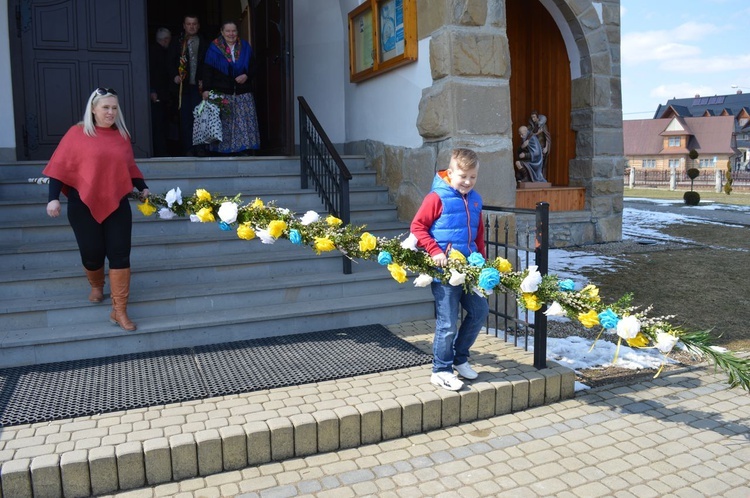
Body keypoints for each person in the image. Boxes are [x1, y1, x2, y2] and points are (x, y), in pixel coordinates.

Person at [43, 88, 149, 332]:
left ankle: (119, 310)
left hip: (118, 203)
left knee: (120, 254)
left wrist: (142, 188)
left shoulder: (122, 135)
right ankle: (96, 284)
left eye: (114, 108)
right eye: (105, 108)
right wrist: (53, 199)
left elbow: (130, 167)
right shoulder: (76, 133)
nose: (111, 112)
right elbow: (60, 166)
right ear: (93, 109)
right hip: (82, 203)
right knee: (92, 252)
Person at [410, 148, 489, 391]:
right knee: (447, 323)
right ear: (450, 172)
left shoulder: (475, 199)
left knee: (479, 311)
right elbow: (417, 227)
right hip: (444, 272)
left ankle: (459, 358)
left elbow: (479, 236)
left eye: (472, 177)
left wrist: (482, 263)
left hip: (467, 271)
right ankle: (441, 370)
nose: (467, 182)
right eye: (463, 176)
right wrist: (435, 251)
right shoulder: (436, 198)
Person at [202, 20, 261, 155]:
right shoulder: (214, 48)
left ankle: (243, 149)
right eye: (228, 31)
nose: (231, 34)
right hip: (222, 91)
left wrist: (247, 75)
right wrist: (206, 89)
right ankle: (223, 151)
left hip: (243, 91)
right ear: (222, 32)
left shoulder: (245, 46)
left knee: (243, 123)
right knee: (224, 122)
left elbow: (254, 66)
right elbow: (207, 70)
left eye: (234, 31)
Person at [169, 14, 208, 155]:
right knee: (185, 119)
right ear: (184, 25)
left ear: (198, 26)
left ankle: (200, 148)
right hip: (183, 88)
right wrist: (174, 76)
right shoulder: (177, 42)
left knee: (200, 118)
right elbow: (170, 61)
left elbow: (207, 65)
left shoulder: (204, 42)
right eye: (189, 24)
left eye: (194, 24)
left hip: (198, 88)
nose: (191, 26)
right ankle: (188, 149)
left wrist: (206, 83)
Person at [149, 27, 172, 157]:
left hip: (160, 94)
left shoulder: (157, 51)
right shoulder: (156, 52)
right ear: (165, 40)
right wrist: (152, 90)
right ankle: (161, 153)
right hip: (157, 95)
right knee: (159, 125)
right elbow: (153, 74)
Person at [529, 110, 551, 179]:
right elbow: (529, 135)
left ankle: (540, 177)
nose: (533, 119)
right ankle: (534, 177)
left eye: (534, 117)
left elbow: (547, 137)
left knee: (542, 162)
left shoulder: (543, 126)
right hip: (534, 147)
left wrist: (546, 147)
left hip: (541, 146)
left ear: (537, 117)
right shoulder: (531, 126)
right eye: (532, 117)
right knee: (533, 161)